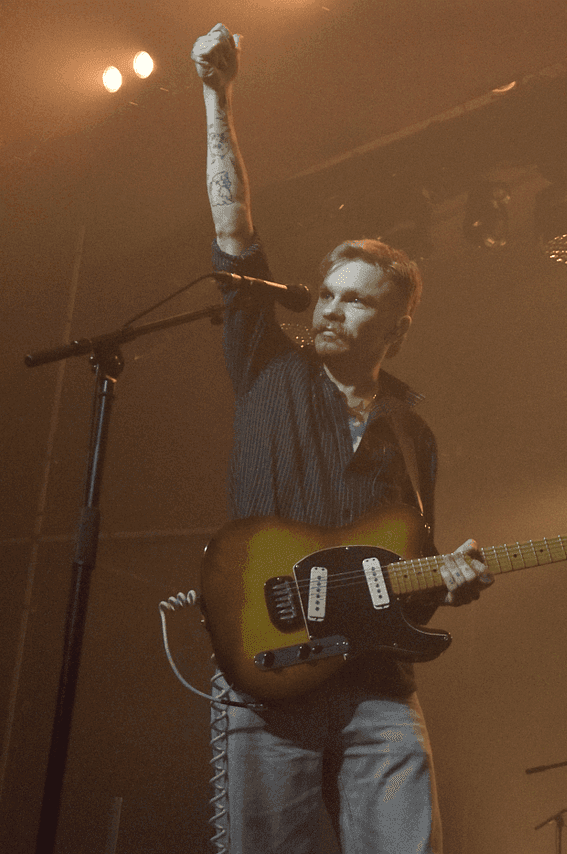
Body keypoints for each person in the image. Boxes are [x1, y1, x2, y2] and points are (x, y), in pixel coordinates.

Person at [192, 22, 493, 854]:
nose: (329, 308)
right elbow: (232, 221)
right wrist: (216, 97)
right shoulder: (267, 366)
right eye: (327, 292)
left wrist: (450, 582)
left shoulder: (412, 432)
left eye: (356, 300)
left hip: (378, 688)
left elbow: (409, 583)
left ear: (397, 326)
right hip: (268, 674)